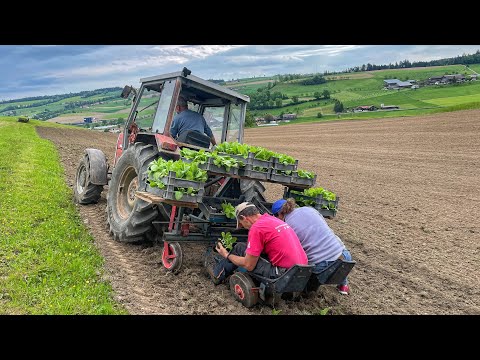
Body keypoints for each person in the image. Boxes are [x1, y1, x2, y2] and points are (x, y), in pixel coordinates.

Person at [206, 202, 308, 285]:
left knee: (240, 250)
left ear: (244, 217)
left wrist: (226, 255)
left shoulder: (256, 228)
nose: (244, 227)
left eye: (241, 224)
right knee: (242, 247)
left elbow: (249, 265)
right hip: (302, 270)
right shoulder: (274, 220)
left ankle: (217, 275)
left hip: (282, 274)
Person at [271, 198, 353, 295]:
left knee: (301, 259)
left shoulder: (286, 226)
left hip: (322, 267)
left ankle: (307, 291)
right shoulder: (310, 209)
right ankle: (344, 285)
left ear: (279, 214)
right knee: (333, 241)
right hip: (346, 257)